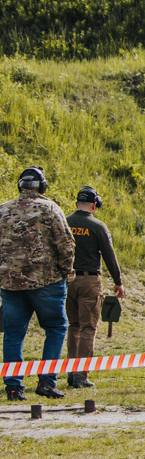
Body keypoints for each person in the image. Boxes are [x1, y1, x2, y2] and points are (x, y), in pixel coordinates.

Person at [2, 166, 73, 403]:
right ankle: (46, 382)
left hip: (10, 284)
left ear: (20, 186)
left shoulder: (3, 210)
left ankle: (13, 387)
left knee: (12, 334)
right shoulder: (51, 208)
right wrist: (65, 272)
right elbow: (66, 244)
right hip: (47, 282)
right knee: (55, 328)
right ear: (42, 187)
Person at [65, 185, 124, 390]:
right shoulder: (98, 226)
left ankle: (72, 372)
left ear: (76, 204)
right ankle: (82, 375)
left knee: (73, 326)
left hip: (67, 281)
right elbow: (109, 255)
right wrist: (118, 281)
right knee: (88, 327)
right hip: (89, 281)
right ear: (94, 205)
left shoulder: (65, 222)